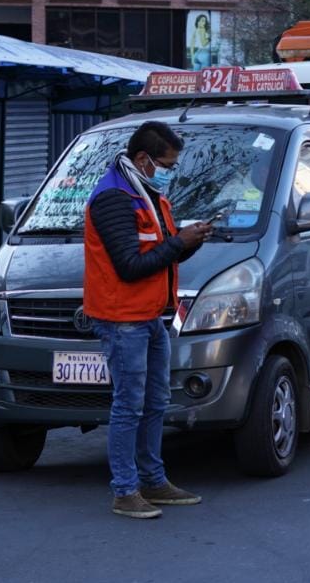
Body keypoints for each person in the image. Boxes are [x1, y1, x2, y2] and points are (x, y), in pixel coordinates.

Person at [84, 121, 213, 519]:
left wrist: (190, 241)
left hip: (150, 315)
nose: (169, 172)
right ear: (143, 159)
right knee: (129, 405)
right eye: (167, 165)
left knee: (155, 401)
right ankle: (125, 491)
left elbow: (161, 255)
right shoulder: (114, 198)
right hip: (123, 318)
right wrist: (179, 242)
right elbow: (130, 266)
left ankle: (153, 481)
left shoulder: (147, 194)